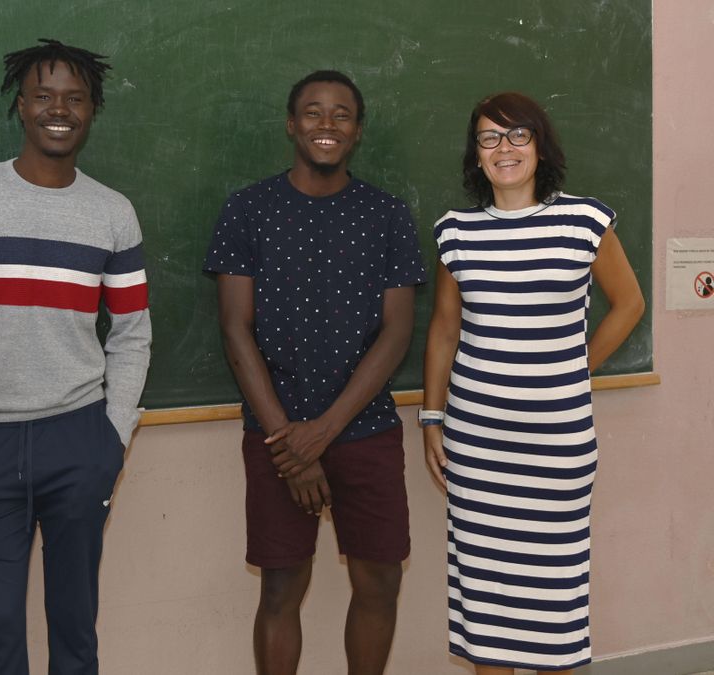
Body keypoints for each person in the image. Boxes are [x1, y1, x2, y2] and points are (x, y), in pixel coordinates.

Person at [0, 39, 151, 675]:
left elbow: (132, 329)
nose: (58, 109)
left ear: (92, 111)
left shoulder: (112, 213)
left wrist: (113, 432)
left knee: (76, 626)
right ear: (21, 106)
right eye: (44, 95)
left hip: (78, 437)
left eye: (74, 98)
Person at [204, 70, 425, 675]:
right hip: (276, 436)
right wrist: (290, 446)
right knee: (280, 589)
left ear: (357, 131)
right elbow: (234, 329)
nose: (326, 125)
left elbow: (397, 332)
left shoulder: (387, 214)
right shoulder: (248, 210)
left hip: (366, 430)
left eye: (341, 115)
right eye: (312, 112)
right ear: (290, 123)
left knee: (379, 583)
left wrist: (323, 433)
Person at [422, 92, 645, 674]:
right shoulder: (455, 232)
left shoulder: (585, 221)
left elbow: (629, 304)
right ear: (475, 156)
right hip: (476, 445)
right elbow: (445, 330)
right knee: (486, 598)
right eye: (489, 138)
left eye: (518, 134)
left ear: (541, 146)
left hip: (557, 446)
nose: (505, 148)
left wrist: (577, 369)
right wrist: (431, 417)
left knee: (554, 600)